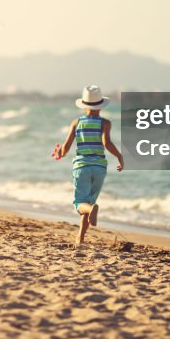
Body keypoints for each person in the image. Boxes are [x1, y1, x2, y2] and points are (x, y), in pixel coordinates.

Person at [52, 85, 123, 246]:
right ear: (100, 105)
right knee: (89, 201)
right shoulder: (105, 123)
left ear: (84, 105)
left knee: (80, 204)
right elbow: (107, 143)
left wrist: (59, 153)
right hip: (99, 168)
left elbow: (65, 148)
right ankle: (80, 238)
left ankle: (91, 211)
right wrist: (119, 156)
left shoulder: (76, 123)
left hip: (81, 167)